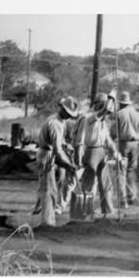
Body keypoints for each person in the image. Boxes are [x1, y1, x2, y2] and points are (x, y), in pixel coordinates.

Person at [32, 97, 79, 226]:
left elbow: (59, 143)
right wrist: (69, 165)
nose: (68, 116)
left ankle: (48, 217)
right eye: (67, 113)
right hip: (46, 154)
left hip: (49, 152)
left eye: (70, 115)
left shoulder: (60, 121)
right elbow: (57, 150)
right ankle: (47, 221)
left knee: (50, 186)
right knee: (49, 189)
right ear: (62, 109)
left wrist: (66, 146)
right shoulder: (55, 122)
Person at [78, 92, 123, 219]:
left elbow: (107, 138)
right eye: (101, 104)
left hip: (101, 151)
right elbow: (105, 110)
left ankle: (107, 211)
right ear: (97, 105)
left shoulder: (103, 121)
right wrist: (111, 98)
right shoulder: (89, 117)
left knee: (106, 183)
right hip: (90, 152)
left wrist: (116, 152)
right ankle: (85, 212)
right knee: (89, 184)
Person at [113, 91, 139, 208]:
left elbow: (113, 131)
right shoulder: (137, 114)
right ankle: (131, 194)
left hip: (123, 143)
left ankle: (123, 200)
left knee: (121, 171)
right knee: (131, 170)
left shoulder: (119, 114)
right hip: (136, 144)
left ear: (121, 103)